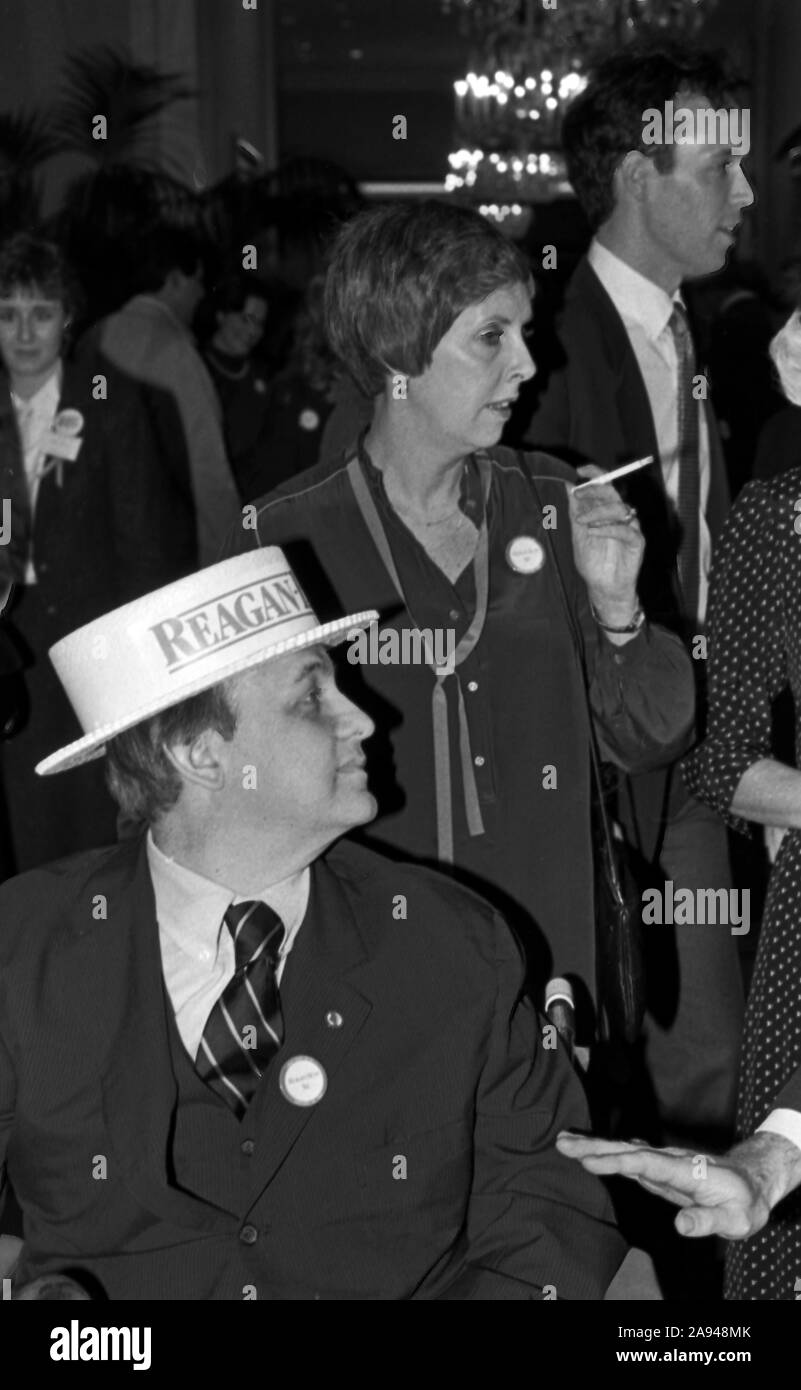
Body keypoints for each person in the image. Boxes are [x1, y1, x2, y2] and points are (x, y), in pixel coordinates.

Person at [0, 549, 626, 1300]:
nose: (364, 717)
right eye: (311, 697)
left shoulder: (451, 941)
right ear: (200, 754)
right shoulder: (22, 946)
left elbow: (547, 1211)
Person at [222, 199, 694, 1042]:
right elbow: (236, 788)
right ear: (400, 349)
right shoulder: (283, 535)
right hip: (359, 974)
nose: (527, 364)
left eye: (525, 331)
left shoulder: (556, 503)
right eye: (491, 337)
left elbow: (652, 737)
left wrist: (620, 608)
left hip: (550, 970)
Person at [524, 42, 754, 1144]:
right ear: (635, 178)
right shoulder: (543, 350)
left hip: (695, 739)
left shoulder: (681, 327)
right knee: (612, 1053)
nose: (746, 195)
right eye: (719, 169)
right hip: (602, 750)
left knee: (709, 1049)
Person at [0, 233, 194, 873]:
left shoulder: (111, 403)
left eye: (42, 313)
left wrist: (147, 681)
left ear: (68, 319)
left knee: (86, 841)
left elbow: (148, 552)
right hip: (6, 654)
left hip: (91, 652)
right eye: (7, 313)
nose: (25, 332)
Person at [93, 225, 240, 564]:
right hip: (163, 551)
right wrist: (228, 557)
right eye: (198, 281)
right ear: (174, 279)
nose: (202, 294)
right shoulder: (173, 353)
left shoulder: (93, 339)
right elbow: (206, 467)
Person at [199, 272, 272, 500]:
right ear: (221, 315)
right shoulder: (195, 369)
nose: (253, 331)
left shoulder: (263, 377)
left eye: (259, 323)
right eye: (246, 319)